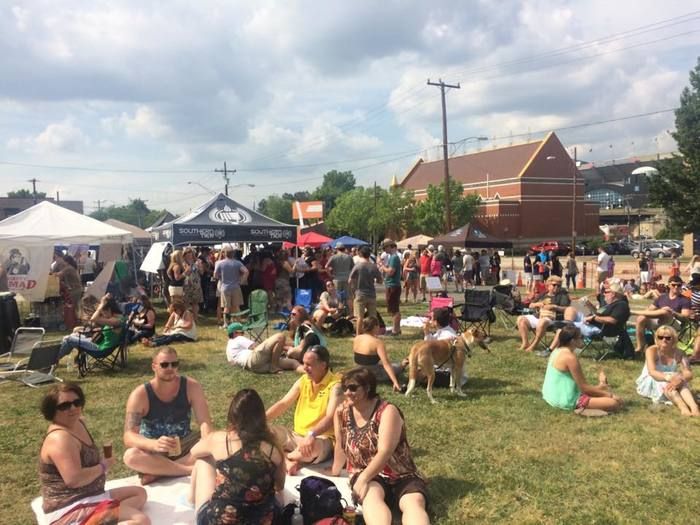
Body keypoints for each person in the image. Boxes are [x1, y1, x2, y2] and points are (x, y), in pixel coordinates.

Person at [39, 382, 149, 525]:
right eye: (64, 406)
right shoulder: (60, 439)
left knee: (139, 493)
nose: (73, 408)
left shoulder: (77, 423)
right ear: (52, 410)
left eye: (77, 402)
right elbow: (74, 479)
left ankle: (103, 519)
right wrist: (103, 466)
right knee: (140, 520)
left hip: (91, 496)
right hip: (69, 507)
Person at [331, 368, 429, 525]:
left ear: (367, 388)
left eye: (353, 388)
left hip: (401, 473)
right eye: (345, 388)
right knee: (371, 497)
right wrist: (335, 472)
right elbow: (341, 445)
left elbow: (385, 451)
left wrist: (362, 479)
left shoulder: (387, 411)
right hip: (367, 472)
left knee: (414, 502)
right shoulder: (341, 412)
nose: (347, 392)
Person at [189, 389, 286, 524]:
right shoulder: (273, 449)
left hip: (219, 519)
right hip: (260, 520)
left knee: (203, 461)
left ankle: (190, 499)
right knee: (277, 494)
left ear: (232, 415)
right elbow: (280, 485)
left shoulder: (219, 439)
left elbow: (194, 451)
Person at [123, 346, 213, 484]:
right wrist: (154, 444)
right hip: (156, 452)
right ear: (154, 366)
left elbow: (204, 422)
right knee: (131, 456)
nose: (170, 368)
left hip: (185, 445)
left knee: (220, 442)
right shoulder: (140, 394)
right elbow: (129, 436)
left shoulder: (191, 386)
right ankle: (187, 469)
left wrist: (208, 441)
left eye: (174, 364)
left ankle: (160, 472)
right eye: (164, 365)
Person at [266, 345, 342, 474]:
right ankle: (289, 460)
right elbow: (283, 403)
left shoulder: (335, 386)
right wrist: (261, 420)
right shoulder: (303, 380)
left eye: (309, 365)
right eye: (304, 363)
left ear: (323, 365)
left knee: (312, 448)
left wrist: (311, 435)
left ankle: (281, 456)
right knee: (262, 432)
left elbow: (330, 418)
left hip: (320, 439)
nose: (304, 368)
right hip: (296, 436)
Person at [541, 325, 623, 414]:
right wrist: (610, 395)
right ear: (572, 341)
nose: (583, 339)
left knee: (603, 396)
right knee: (614, 403)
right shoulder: (570, 358)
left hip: (550, 395)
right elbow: (585, 389)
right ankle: (582, 409)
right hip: (566, 400)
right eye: (581, 337)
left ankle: (600, 390)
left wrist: (600, 386)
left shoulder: (557, 350)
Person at [544, 278, 631, 356]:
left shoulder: (621, 305)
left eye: (606, 292)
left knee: (565, 328)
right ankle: (565, 323)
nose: (604, 294)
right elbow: (598, 313)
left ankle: (551, 348)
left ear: (613, 294)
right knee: (571, 309)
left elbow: (612, 320)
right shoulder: (610, 305)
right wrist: (589, 305)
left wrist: (593, 318)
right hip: (591, 323)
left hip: (600, 329)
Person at [635, 326, 698, 416]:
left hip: (670, 378)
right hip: (652, 378)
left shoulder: (679, 353)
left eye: (668, 338)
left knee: (680, 382)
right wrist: (669, 378)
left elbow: (688, 373)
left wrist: (680, 379)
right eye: (660, 337)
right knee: (668, 384)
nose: (664, 340)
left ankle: (694, 407)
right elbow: (652, 372)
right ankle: (682, 406)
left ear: (674, 339)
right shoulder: (651, 350)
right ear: (657, 338)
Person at [633, 275, 691, 354]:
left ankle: (633, 312)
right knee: (641, 318)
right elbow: (649, 310)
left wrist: (673, 313)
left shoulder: (684, 300)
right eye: (674, 285)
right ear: (669, 285)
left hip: (675, 323)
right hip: (659, 320)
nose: (676, 287)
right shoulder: (662, 297)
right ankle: (640, 347)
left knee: (665, 311)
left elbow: (685, 317)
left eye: (679, 285)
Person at [59, 293, 124, 360]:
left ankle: (55, 359)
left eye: (104, 312)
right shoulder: (119, 318)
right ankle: (60, 358)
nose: (103, 315)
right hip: (99, 344)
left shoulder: (115, 321)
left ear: (109, 309)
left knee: (67, 339)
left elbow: (93, 319)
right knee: (73, 335)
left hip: (99, 349)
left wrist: (101, 306)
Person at [517, 276, 570, 353]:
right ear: (548, 285)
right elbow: (530, 305)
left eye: (559, 285)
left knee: (542, 322)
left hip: (552, 318)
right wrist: (538, 304)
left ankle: (533, 346)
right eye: (554, 285)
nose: (557, 287)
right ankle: (525, 343)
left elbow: (567, 309)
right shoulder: (543, 294)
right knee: (521, 319)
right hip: (538, 316)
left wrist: (555, 307)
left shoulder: (563, 295)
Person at [226, 323, 301, 373]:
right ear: (235, 333)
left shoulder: (229, 347)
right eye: (242, 332)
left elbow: (232, 363)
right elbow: (255, 347)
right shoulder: (238, 338)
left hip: (256, 367)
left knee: (293, 362)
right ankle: (274, 367)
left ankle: (305, 371)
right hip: (253, 359)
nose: (243, 334)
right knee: (280, 336)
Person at [353, 317, 402, 391]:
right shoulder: (377, 342)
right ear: (375, 327)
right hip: (373, 374)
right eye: (378, 325)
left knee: (392, 364)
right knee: (397, 366)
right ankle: (403, 365)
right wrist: (395, 382)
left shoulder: (357, 338)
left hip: (357, 371)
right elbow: (386, 364)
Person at [348, 245, 383, 336]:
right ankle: (375, 334)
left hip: (360, 293)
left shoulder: (357, 266)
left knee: (359, 317)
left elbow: (350, 280)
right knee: (373, 317)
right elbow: (380, 280)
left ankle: (358, 335)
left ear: (360, 254)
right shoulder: (373, 266)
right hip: (371, 294)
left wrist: (353, 289)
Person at [213, 246, 249, 328]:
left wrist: (220, 278)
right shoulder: (237, 263)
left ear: (225, 254)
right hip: (236, 286)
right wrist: (242, 281)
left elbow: (215, 275)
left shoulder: (220, 263)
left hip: (224, 287)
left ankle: (225, 323)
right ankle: (239, 322)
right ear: (233, 254)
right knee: (236, 306)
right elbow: (246, 271)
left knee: (226, 307)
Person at [379, 239, 402, 336]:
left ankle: (395, 330)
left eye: (385, 248)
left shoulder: (394, 257)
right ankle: (396, 328)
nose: (384, 250)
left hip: (393, 286)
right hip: (392, 285)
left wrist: (382, 266)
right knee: (393, 308)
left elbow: (391, 272)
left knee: (394, 309)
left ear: (389, 246)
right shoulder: (392, 257)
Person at [325, 242, 355, 309]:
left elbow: (326, 266)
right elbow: (353, 268)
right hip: (347, 278)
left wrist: (330, 275)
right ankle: (351, 312)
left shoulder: (333, 257)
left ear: (337, 249)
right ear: (344, 249)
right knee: (349, 296)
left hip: (337, 279)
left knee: (337, 296)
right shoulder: (349, 257)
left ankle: (338, 311)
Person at [183, 248, 204, 318]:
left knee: (195, 302)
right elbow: (184, 273)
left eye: (191, 254)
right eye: (187, 254)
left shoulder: (198, 262)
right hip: (186, 284)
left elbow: (202, 272)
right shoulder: (183, 263)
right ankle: (186, 318)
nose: (189, 256)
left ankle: (195, 318)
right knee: (186, 302)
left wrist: (200, 267)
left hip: (196, 284)